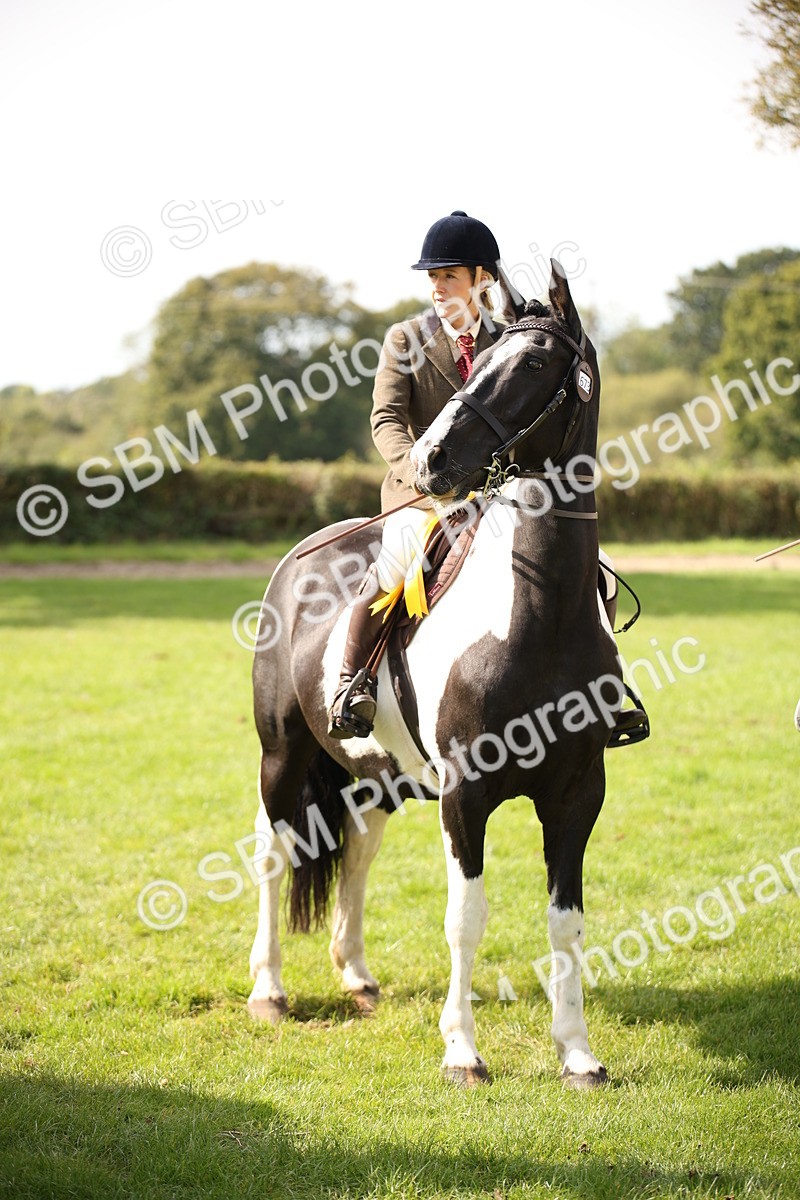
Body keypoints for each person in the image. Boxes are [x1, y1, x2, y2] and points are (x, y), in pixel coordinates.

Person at [327, 211, 647, 746]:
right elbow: (385, 419)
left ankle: (603, 691)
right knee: (393, 562)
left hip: (500, 501)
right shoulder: (404, 339)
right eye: (432, 278)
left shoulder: (513, 340)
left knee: (602, 570)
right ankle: (350, 683)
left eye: (448, 275)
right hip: (423, 499)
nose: (437, 287)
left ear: (483, 279)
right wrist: (417, 472)